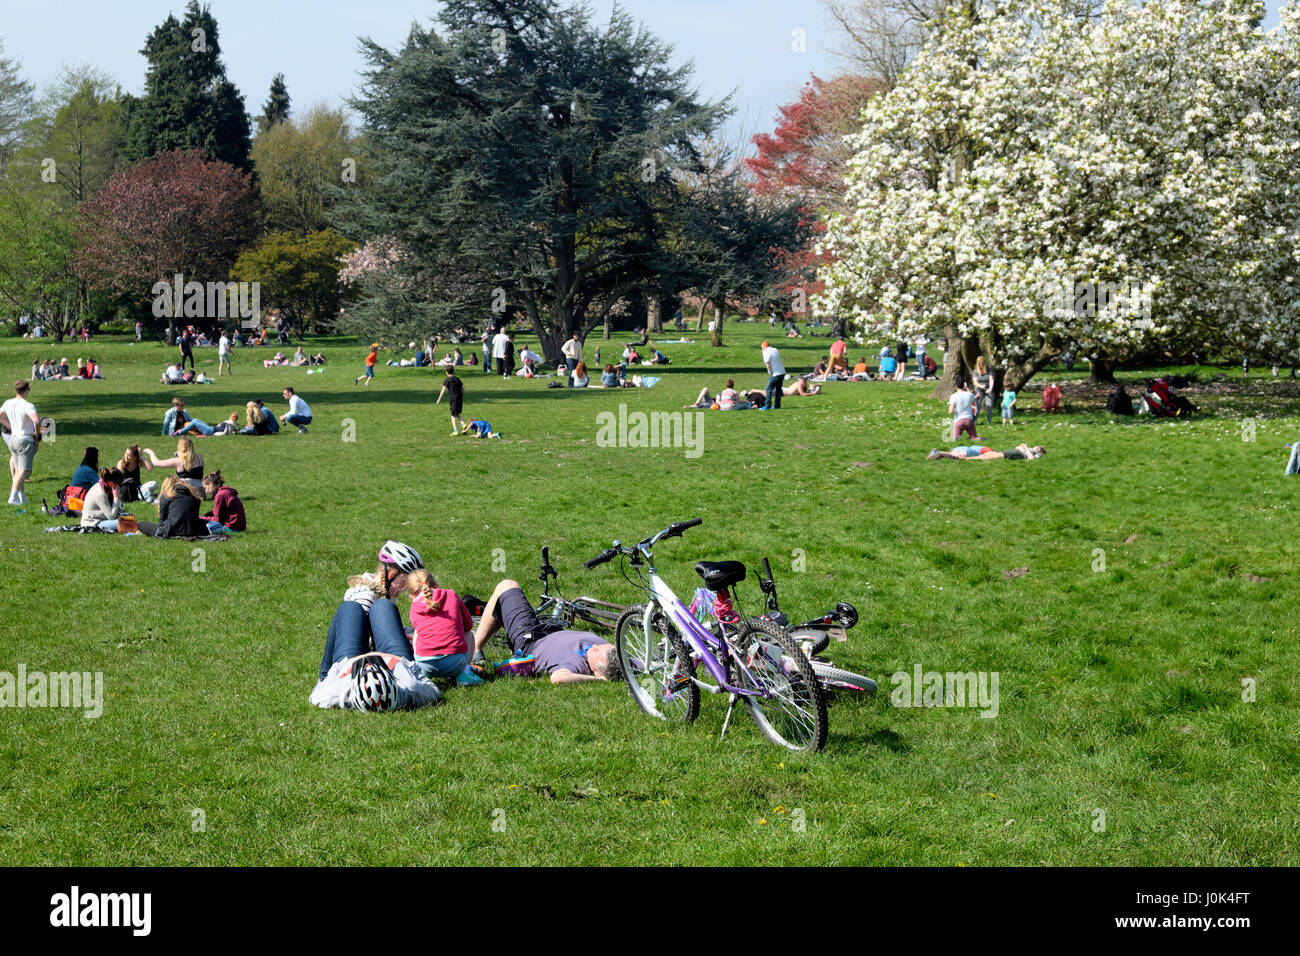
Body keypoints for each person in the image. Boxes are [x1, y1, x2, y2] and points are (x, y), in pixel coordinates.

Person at [470, 579, 622, 684]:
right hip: (549, 629)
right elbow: (642, 663)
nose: (595, 647)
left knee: (506, 585)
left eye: (595, 653)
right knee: (506, 604)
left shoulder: (575, 665)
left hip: (529, 637)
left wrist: (599, 680)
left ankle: (474, 649)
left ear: (596, 672)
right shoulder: (618, 659)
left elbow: (559, 678)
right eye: (604, 647)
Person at [405, 569, 481, 686]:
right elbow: (469, 625)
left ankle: (423, 677)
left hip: (425, 665)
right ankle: (465, 673)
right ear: (436, 584)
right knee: (469, 633)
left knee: (417, 633)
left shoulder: (415, 606)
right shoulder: (451, 595)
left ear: (411, 595)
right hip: (456, 663)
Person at [1, 380, 41, 505]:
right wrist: (36, 435)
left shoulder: (8, 403)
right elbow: (37, 421)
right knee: (23, 471)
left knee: (18, 470)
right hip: (24, 440)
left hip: (13, 439)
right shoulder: (28, 405)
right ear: (27, 390)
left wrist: (11, 427)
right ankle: (12, 498)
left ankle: (22, 497)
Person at [135, 475, 210, 537]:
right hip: (193, 530)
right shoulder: (194, 496)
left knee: (141, 525)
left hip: (172, 531)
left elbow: (162, 522)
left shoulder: (166, 496)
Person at [80, 468, 125, 532]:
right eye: (117, 483)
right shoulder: (101, 494)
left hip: (103, 518)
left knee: (127, 517)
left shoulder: (107, 489)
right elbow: (111, 517)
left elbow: (120, 510)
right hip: (93, 523)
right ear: (110, 482)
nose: (118, 486)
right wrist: (116, 498)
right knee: (124, 522)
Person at [435, 367, 465, 436]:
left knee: (452, 415)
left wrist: (439, 399)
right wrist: (462, 397)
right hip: (459, 398)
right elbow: (462, 389)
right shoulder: (457, 378)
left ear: (446, 372)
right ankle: (463, 424)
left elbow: (443, 390)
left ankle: (455, 430)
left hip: (453, 398)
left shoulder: (447, 379)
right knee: (457, 413)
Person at [928, 443, 1045, 461]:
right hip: (1013, 451)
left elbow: (1032, 459)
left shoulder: (1035, 454)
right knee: (989, 455)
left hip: (1017, 454)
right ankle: (940, 453)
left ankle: (940, 454)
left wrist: (1026, 447)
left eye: (1040, 449)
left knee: (989, 456)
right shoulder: (1029, 449)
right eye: (1038, 446)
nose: (1038, 448)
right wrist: (1023, 446)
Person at [761, 340, 785, 410]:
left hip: (775, 373)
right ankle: (777, 406)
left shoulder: (766, 352)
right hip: (782, 372)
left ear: (764, 347)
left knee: (768, 389)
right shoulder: (775, 349)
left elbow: (767, 364)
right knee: (778, 389)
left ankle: (767, 405)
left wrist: (770, 372)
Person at [972, 356, 994, 424]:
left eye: (982, 364)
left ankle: (989, 421)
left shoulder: (989, 370)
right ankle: (975, 421)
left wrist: (990, 388)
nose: (981, 365)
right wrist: (980, 386)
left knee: (989, 405)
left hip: (988, 389)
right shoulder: (975, 371)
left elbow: (991, 380)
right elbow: (975, 382)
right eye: (979, 364)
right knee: (977, 406)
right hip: (978, 389)